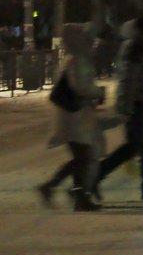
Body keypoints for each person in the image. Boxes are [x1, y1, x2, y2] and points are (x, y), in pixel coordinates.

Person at [96, 11, 143, 202]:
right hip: (135, 104)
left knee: (134, 147)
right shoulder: (136, 46)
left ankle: (94, 176)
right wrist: (126, 107)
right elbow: (128, 80)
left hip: (140, 103)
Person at [37, 23, 107, 212]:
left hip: (75, 115)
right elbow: (79, 87)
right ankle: (65, 191)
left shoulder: (73, 59)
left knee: (81, 157)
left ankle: (73, 194)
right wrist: (97, 91)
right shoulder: (75, 60)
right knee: (83, 156)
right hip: (73, 115)